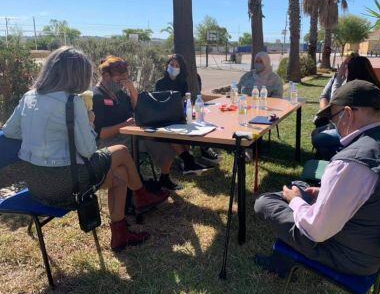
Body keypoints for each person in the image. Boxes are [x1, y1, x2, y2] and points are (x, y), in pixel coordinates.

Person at [2, 47, 169, 252]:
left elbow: (10, 132)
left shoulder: (29, 97)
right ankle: (141, 196)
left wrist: (40, 135)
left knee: (120, 175)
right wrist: (90, 123)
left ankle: (121, 233)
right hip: (67, 186)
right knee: (122, 152)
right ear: (78, 75)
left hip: (36, 183)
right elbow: (89, 150)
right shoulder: (73, 103)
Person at [254, 80, 380, 276]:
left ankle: (281, 263)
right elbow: (377, 196)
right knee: (300, 185)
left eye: (333, 119)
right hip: (375, 247)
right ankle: (282, 258)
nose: (333, 126)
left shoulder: (351, 164)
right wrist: (323, 193)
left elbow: (316, 231)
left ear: (348, 114)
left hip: (346, 255)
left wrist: (296, 201)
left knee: (266, 202)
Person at [93, 56, 212, 191]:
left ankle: (165, 178)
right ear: (106, 76)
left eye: (125, 79)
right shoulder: (97, 96)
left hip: (131, 132)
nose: (121, 83)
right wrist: (123, 125)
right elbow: (101, 134)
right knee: (159, 141)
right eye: (119, 79)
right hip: (113, 140)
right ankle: (146, 186)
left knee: (164, 140)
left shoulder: (118, 92)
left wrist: (131, 88)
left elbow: (136, 107)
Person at [312, 55, 380, 159]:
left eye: (346, 67)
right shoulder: (373, 86)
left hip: (355, 131)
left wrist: (338, 79)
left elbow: (335, 101)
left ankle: (336, 159)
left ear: (353, 70)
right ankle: (330, 156)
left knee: (317, 137)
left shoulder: (355, 88)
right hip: (365, 129)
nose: (344, 69)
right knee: (318, 132)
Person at [155, 54, 220, 165]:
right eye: (171, 64)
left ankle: (203, 150)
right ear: (167, 66)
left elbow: (185, 100)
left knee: (197, 124)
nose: (173, 67)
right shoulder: (160, 83)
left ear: (181, 69)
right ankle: (188, 160)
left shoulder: (182, 83)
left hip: (180, 115)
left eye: (176, 65)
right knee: (174, 133)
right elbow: (158, 103)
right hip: (165, 118)